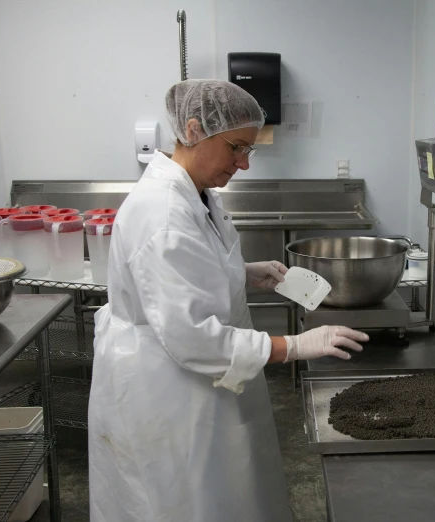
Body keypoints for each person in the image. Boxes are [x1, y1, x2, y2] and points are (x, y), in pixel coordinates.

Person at [87, 79, 369, 522]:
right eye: (237, 148)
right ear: (195, 130)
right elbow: (193, 337)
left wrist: (241, 273)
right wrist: (294, 346)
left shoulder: (194, 193)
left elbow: (185, 277)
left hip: (199, 387)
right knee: (183, 503)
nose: (244, 164)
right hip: (166, 391)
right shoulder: (162, 216)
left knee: (221, 495)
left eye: (249, 151)